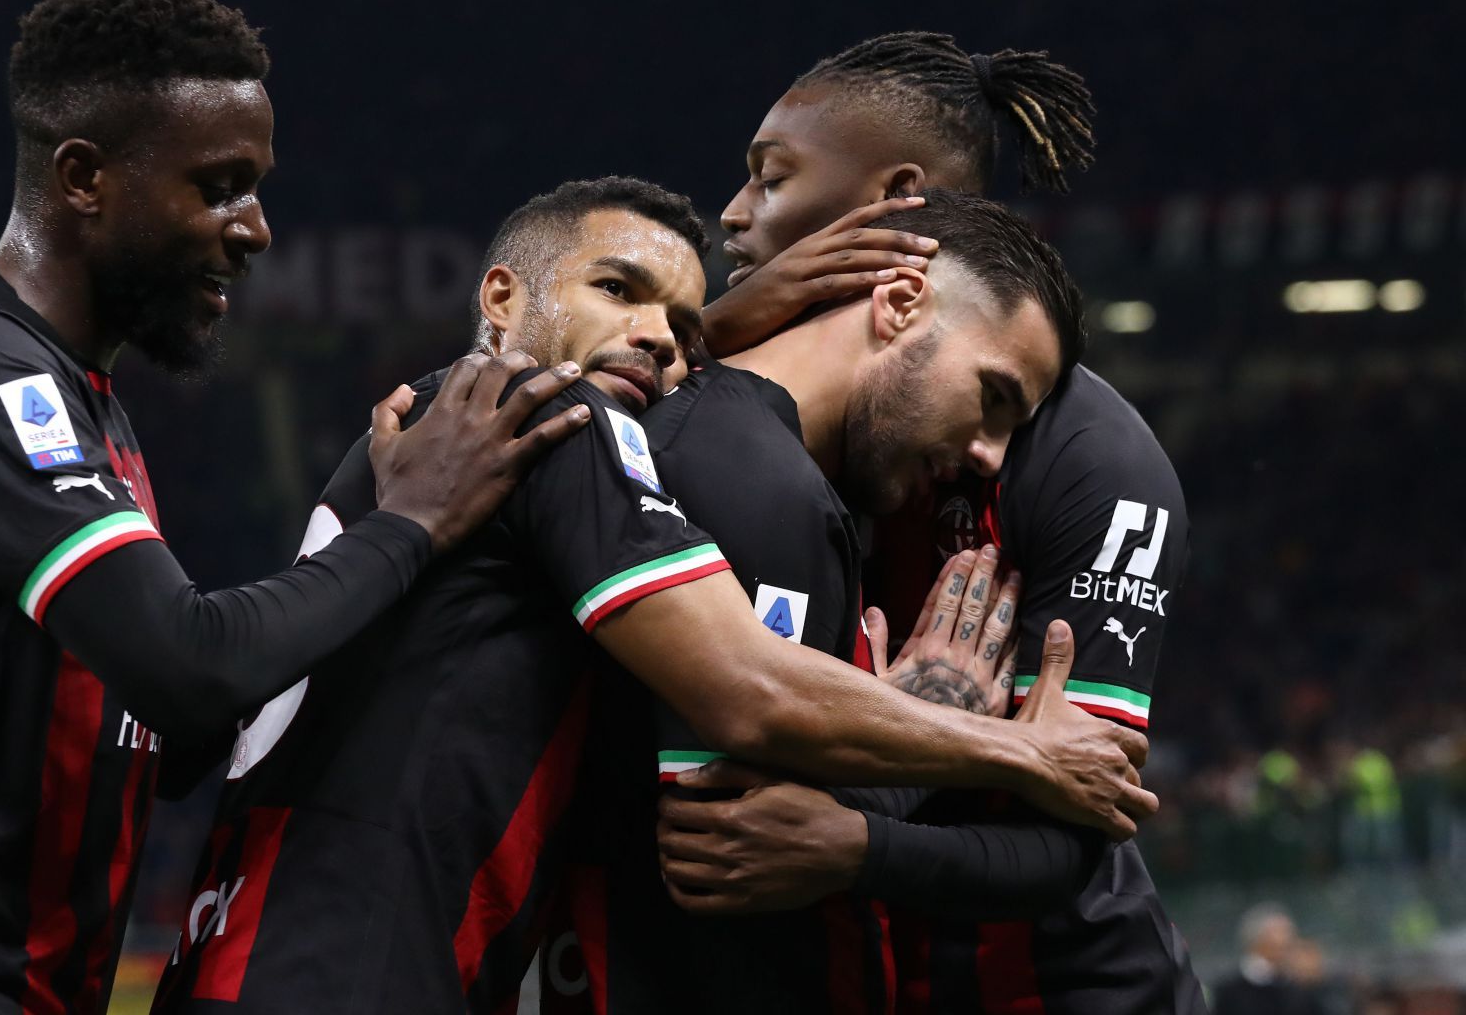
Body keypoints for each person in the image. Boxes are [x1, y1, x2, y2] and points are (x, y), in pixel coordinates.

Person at [0, 0, 591, 1015]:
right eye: (220, 184)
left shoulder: (84, 405)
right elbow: (187, 667)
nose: (256, 226)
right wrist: (407, 522)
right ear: (83, 178)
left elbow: (169, 736)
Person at [155, 178, 1149, 1014]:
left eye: (680, 325)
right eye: (617, 289)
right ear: (500, 297)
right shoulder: (556, 419)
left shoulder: (441, 429)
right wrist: (1016, 745)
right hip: (353, 974)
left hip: (235, 950)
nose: (659, 342)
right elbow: (742, 690)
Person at [652, 32, 1204, 1012]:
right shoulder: (746, 404)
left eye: (771, 179)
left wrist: (858, 838)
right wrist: (722, 325)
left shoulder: (1087, 460)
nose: (734, 215)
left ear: (891, 207)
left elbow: (1077, 828)